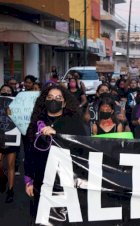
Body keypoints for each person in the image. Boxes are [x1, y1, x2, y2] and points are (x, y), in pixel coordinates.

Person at [24, 85, 88, 219]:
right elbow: (29, 152)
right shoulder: (36, 123)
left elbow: (82, 148)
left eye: (58, 98)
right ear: (45, 101)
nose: (54, 100)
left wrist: (57, 134)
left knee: (65, 217)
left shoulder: (74, 122)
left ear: (64, 103)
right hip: (41, 180)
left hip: (66, 180)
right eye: (50, 97)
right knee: (41, 216)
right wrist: (28, 179)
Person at [0, 85, 17, 202]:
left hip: (12, 136)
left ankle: (10, 191)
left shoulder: (16, 105)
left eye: (8, 91)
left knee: (11, 165)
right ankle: (2, 179)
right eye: (3, 90)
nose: (6, 92)